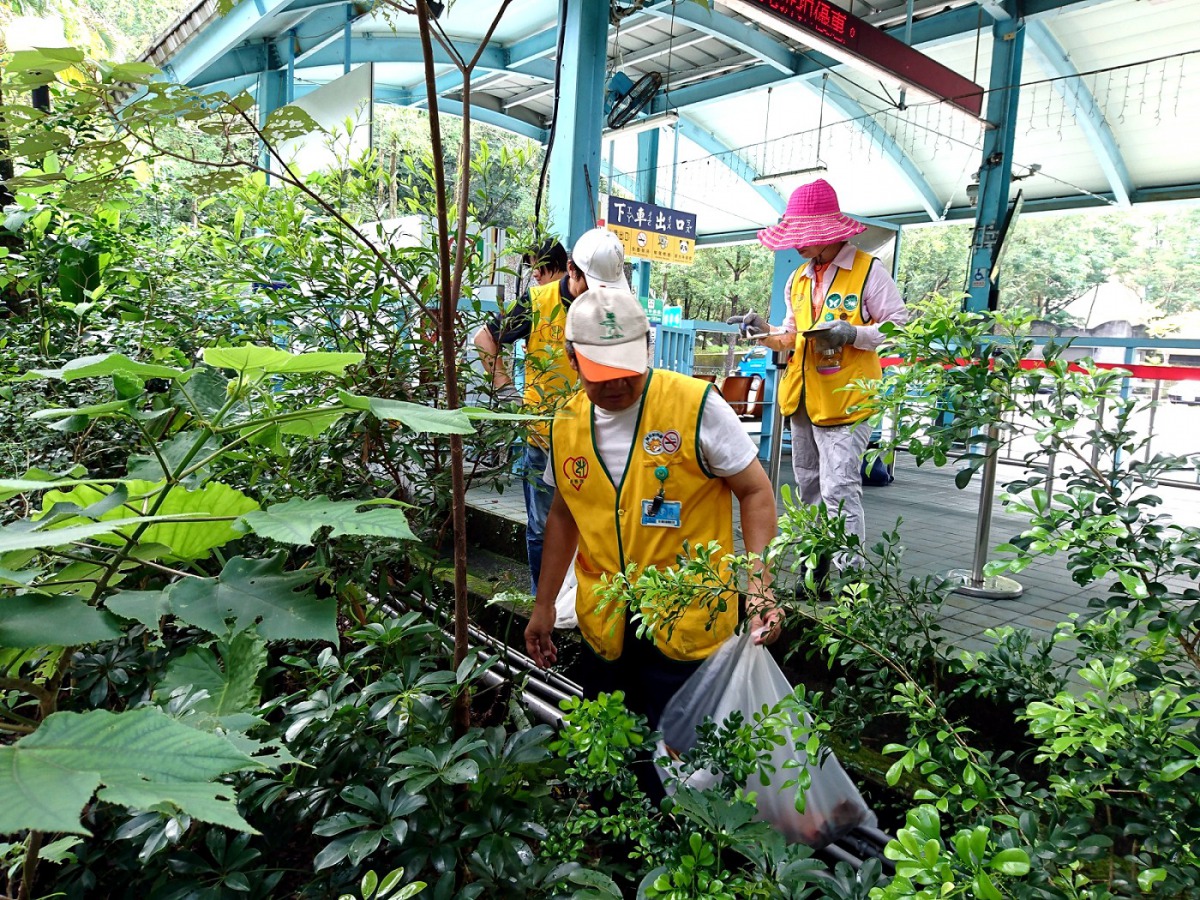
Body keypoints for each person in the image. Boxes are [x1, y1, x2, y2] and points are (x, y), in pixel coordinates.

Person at [524, 287, 782, 732]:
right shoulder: (566, 422)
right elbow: (565, 515)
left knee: (684, 768)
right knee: (611, 762)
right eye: (601, 373)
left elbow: (756, 492)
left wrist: (760, 585)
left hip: (688, 625)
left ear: (647, 350)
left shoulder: (695, 406)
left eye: (628, 369)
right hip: (605, 625)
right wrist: (544, 604)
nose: (619, 384)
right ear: (572, 361)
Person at [738, 179, 908, 559]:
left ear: (825, 232)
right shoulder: (798, 278)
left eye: (802, 234)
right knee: (810, 485)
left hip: (846, 399)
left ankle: (850, 580)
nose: (795, 243)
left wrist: (853, 334)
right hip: (803, 399)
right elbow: (791, 335)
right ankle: (817, 567)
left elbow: (899, 324)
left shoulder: (868, 271)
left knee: (840, 488)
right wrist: (762, 330)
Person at [473, 230, 631, 592]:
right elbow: (485, 340)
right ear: (571, 270)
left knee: (596, 523)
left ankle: (584, 601)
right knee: (544, 526)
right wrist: (509, 394)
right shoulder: (537, 301)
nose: (599, 294)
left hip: (595, 438)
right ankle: (542, 599)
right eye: (592, 283)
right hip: (544, 437)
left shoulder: (609, 304)